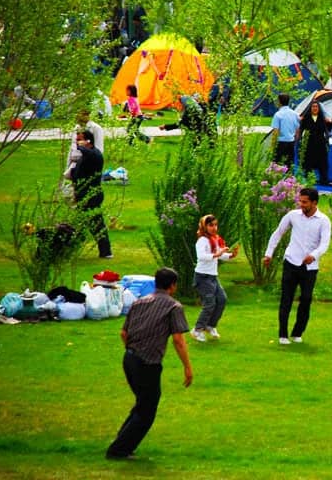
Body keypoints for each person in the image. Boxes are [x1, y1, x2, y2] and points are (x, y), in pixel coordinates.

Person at [106, 267, 193, 460]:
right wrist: (187, 367)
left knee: (142, 404)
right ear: (173, 285)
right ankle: (118, 450)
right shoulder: (174, 307)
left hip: (129, 359)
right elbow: (178, 340)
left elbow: (123, 333)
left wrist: (132, 350)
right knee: (147, 411)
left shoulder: (139, 302)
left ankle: (122, 442)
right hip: (148, 363)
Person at [264, 187, 332, 345]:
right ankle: (282, 335)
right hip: (291, 262)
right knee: (286, 298)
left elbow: (325, 244)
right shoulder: (292, 216)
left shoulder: (323, 220)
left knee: (306, 299)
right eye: (300, 201)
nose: (301, 204)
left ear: (314, 202)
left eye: (305, 202)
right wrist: (269, 253)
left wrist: (313, 255)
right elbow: (278, 233)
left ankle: (297, 332)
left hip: (310, 267)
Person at [191, 214, 239, 343]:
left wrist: (230, 255)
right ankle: (197, 330)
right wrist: (218, 253)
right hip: (202, 277)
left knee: (222, 299)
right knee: (210, 304)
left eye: (215, 225)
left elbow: (220, 256)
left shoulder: (215, 239)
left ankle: (210, 326)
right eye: (210, 225)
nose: (214, 227)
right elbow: (202, 256)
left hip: (213, 276)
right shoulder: (202, 240)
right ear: (204, 226)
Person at [71, 130, 113, 259]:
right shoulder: (84, 157)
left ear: (88, 141)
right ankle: (70, 248)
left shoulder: (94, 154)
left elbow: (87, 152)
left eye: (80, 140)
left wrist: (81, 146)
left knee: (96, 223)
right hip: (83, 194)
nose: (78, 143)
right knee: (79, 223)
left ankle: (106, 252)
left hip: (92, 195)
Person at [297, 102, 332, 185]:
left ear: (319, 108)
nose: (315, 108)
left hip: (320, 143)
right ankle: (307, 179)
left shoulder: (322, 118)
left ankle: (324, 180)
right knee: (308, 162)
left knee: (323, 162)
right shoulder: (306, 118)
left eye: (316, 106)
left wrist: (330, 122)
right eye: (313, 106)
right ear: (310, 108)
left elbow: (329, 129)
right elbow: (301, 129)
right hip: (309, 143)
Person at [270, 94, 301, 167]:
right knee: (289, 165)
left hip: (281, 143)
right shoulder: (295, 114)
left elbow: (275, 132)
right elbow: (297, 130)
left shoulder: (278, 115)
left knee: (278, 166)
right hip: (291, 142)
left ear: (279, 102)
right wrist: (295, 141)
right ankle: (290, 178)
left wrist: (273, 146)